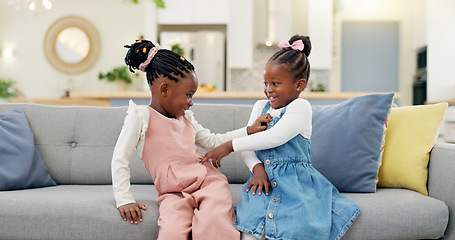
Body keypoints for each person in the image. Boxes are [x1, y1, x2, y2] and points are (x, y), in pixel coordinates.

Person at [202, 35, 360, 240]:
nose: (268, 89)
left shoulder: (301, 108)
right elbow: (251, 142)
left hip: (297, 185)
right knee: (249, 227)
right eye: (266, 83)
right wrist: (256, 168)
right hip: (262, 182)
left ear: (299, 85)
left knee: (298, 228)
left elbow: (275, 137)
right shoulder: (260, 106)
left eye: (275, 83)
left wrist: (229, 145)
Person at [111, 39, 270, 240]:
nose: (191, 102)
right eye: (188, 95)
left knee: (214, 223)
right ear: (164, 89)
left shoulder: (186, 118)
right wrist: (124, 199)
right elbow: (119, 159)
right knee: (172, 233)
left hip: (208, 182)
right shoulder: (140, 116)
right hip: (173, 193)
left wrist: (249, 130)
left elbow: (213, 141)